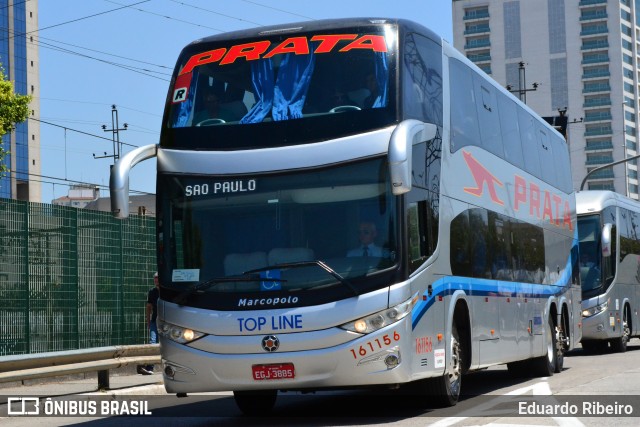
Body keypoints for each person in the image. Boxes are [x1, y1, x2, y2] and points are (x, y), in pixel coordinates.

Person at [138, 272, 159, 375]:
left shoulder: (167, 292)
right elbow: (149, 307)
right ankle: (149, 368)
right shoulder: (152, 292)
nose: (156, 280)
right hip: (155, 321)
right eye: (155, 278)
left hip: (166, 323)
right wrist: (148, 321)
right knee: (152, 341)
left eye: (158, 278)